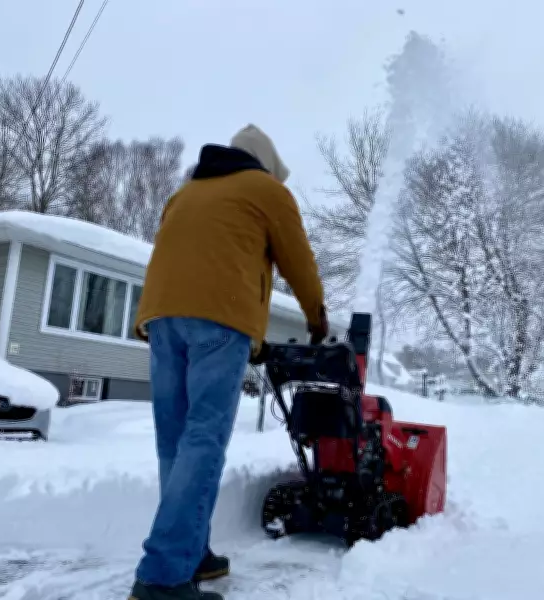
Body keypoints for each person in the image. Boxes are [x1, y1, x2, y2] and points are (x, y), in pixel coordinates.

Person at [127, 124, 328, 600]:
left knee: (175, 444)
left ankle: (189, 553)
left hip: (160, 318)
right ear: (267, 166)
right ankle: (163, 578)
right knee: (203, 440)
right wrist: (316, 315)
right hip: (220, 317)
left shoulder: (186, 192)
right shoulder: (266, 190)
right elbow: (297, 259)